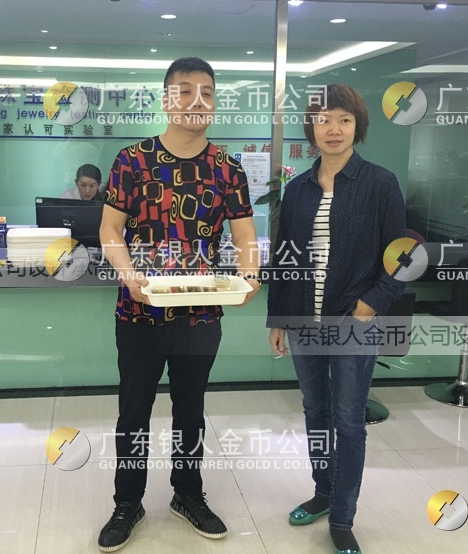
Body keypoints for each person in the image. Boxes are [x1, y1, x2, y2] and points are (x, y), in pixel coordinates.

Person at [98, 57, 260, 552]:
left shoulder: (227, 168)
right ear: (167, 99)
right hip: (139, 311)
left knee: (191, 410)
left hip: (201, 313)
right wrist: (128, 276)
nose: (197, 101)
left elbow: (245, 236)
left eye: (207, 92)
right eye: (185, 91)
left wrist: (249, 276)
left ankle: (188, 494)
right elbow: (110, 229)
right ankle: (127, 502)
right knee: (133, 411)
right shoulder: (132, 160)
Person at [266, 83, 406, 554]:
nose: (333, 129)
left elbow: (401, 255)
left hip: (354, 321)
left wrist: (375, 300)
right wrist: (278, 318)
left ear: (357, 127)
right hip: (304, 322)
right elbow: (285, 258)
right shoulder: (298, 189)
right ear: (312, 128)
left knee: (348, 421)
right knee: (316, 412)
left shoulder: (380, 183)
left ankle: (343, 517)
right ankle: (323, 492)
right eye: (324, 119)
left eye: (344, 120)